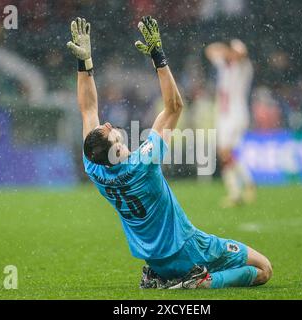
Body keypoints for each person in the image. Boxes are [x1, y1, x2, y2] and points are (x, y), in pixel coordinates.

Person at [67, 16, 272, 289]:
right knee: (263, 268)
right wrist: (158, 57)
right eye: (109, 131)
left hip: (155, 260)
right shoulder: (144, 162)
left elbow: (88, 109)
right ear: (116, 147)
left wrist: (84, 65)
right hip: (190, 247)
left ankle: (164, 277)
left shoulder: (95, 167)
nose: (106, 124)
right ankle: (202, 282)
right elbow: (174, 107)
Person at [205, 40, 256, 207]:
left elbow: (242, 55)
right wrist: (224, 49)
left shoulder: (244, 67)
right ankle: (237, 192)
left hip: (236, 115)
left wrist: (233, 52)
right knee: (226, 155)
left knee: (225, 153)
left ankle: (244, 186)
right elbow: (210, 50)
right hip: (224, 116)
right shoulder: (224, 65)